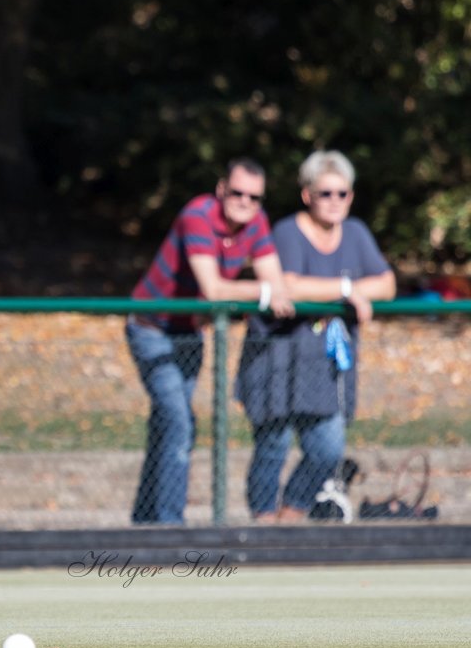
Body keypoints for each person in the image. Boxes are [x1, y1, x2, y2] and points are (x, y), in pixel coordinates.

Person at [127, 158, 295, 526]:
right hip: (151, 330)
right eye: (237, 193)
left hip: (189, 333)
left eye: (254, 197)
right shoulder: (198, 215)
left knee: (167, 426)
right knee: (179, 424)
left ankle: (144, 521)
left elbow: (276, 281)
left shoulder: (256, 223)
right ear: (221, 190)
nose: (245, 202)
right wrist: (265, 293)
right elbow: (215, 289)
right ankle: (170, 528)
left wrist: (267, 290)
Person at [236, 150, 395, 523]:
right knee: (272, 446)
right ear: (307, 194)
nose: (335, 201)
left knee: (328, 448)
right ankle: (262, 521)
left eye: (342, 193)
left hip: (324, 367)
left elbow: (385, 283)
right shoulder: (287, 232)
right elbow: (287, 284)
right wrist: (344, 288)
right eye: (325, 193)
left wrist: (344, 291)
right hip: (278, 358)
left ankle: (291, 516)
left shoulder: (355, 233)